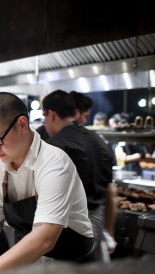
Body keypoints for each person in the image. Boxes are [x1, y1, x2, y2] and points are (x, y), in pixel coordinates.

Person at [0, 92, 95, 273]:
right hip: (27, 265)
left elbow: (44, 238)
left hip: (72, 268)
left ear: (22, 124)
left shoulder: (54, 163)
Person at [42, 89, 117, 261]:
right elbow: (111, 194)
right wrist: (109, 233)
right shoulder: (101, 142)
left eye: (44, 117)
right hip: (96, 225)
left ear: (51, 115)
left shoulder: (53, 146)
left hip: (66, 228)